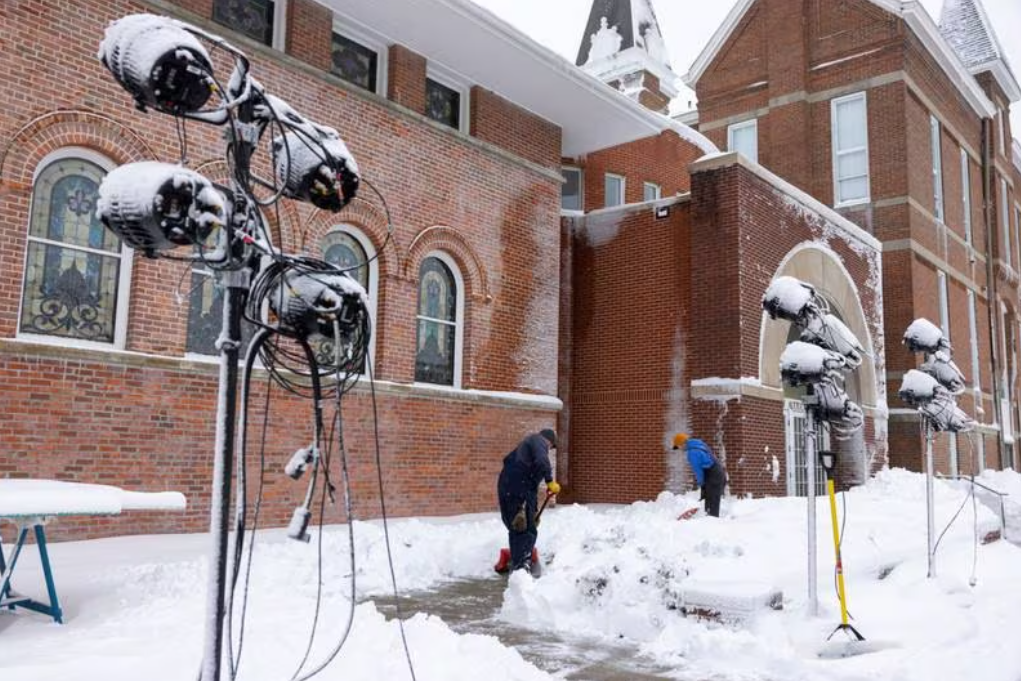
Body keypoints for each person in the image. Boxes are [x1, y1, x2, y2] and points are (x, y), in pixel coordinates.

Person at [497, 428, 560, 574]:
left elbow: (531, 484)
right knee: (526, 528)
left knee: (516, 524)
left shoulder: (525, 450)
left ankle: (518, 562)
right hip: (519, 487)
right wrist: (550, 481)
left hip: (508, 487)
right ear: (549, 441)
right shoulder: (538, 440)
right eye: (550, 447)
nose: (548, 450)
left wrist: (534, 507)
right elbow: (542, 460)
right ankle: (521, 566)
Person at [672, 433, 725, 517]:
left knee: (711, 500)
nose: (680, 449)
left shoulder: (692, 453)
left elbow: (698, 471)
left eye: (678, 447)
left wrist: (701, 483)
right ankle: (710, 518)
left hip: (712, 474)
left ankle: (712, 523)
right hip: (718, 471)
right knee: (712, 499)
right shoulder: (699, 444)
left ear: (682, 444)